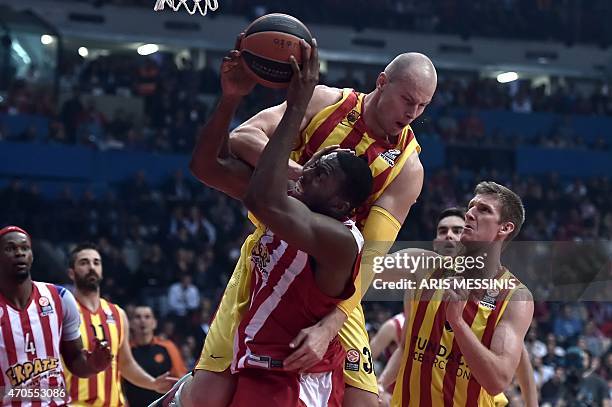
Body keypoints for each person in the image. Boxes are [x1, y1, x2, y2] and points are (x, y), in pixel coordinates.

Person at [161, 28, 437, 407]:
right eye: (408, 100)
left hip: (329, 281)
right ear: (382, 82)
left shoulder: (408, 168)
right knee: (208, 397)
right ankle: (182, 395)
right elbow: (242, 138)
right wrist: (298, 174)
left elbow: (371, 254)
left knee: (364, 403)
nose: (412, 114)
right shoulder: (324, 101)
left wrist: (331, 323)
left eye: (423, 106)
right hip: (269, 256)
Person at [387, 182, 535, 406]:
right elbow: (360, 266)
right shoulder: (422, 265)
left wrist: (457, 321)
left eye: (484, 210)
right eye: (471, 206)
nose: (470, 213)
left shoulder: (515, 297)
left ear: (504, 228)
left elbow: (497, 381)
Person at [0, 226, 111, 406]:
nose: (19, 253)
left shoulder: (59, 298)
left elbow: (75, 359)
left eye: (24, 248)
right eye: (10, 248)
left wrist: (92, 365)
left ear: (32, 256)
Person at [63, 243, 177, 406]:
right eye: (84, 262)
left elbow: (125, 363)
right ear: (71, 273)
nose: (91, 267)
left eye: (96, 262)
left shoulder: (117, 314)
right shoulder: (63, 313)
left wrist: (152, 383)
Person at [125, 306, 188, 406]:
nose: (142, 320)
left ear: (154, 323)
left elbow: (181, 379)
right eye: (138, 317)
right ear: (131, 324)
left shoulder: (168, 347)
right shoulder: (126, 350)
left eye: (147, 317)